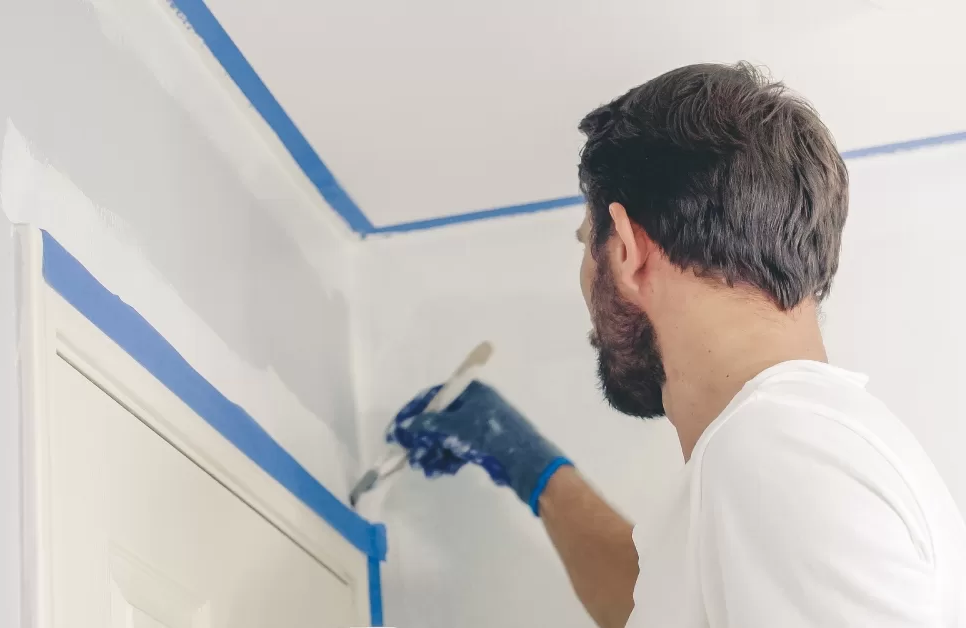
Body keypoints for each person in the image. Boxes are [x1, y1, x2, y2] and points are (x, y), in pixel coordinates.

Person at [387, 63, 966, 628]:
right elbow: (650, 605)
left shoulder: (775, 452)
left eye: (588, 241)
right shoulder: (792, 450)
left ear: (626, 253)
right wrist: (531, 467)